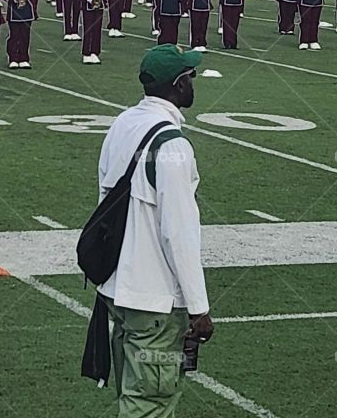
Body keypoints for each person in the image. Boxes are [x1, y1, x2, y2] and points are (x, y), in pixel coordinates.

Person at [94, 45, 213, 418]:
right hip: (154, 297)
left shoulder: (122, 123)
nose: (193, 83)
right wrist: (199, 308)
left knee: (133, 395)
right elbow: (178, 233)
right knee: (150, 404)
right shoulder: (173, 145)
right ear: (177, 85)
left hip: (116, 284)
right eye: (189, 77)